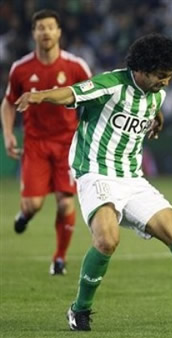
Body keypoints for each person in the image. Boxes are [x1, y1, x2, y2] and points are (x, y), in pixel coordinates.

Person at [15, 33, 172, 332]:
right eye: (161, 76)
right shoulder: (112, 84)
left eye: (169, 77)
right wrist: (39, 95)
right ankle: (79, 309)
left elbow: (147, 106)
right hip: (96, 172)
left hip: (132, 178)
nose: (166, 82)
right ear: (141, 70)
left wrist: (156, 118)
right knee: (107, 240)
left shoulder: (157, 93)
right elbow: (72, 93)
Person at [1, 9, 92, 275]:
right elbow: (8, 104)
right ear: (34, 33)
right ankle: (24, 215)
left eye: (51, 27)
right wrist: (8, 134)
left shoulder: (76, 66)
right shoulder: (21, 68)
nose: (46, 32)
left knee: (66, 203)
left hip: (67, 144)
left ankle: (59, 259)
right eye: (40, 28)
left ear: (59, 32)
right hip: (36, 144)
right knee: (33, 205)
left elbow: (94, 96)